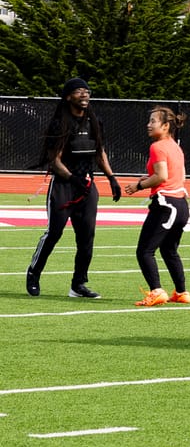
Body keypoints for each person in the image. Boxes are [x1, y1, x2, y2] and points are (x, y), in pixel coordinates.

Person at [26, 78, 121, 299]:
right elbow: (55, 160)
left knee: (87, 236)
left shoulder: (94, 121)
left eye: (87, 91)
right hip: (63, 186)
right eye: (79, 91)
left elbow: (100, 152)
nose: (85, 94)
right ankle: (34, 273)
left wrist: (112, 178)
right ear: (68, 97)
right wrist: (71, 177)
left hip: (86, 187)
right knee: (54, 232)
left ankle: (78, 284)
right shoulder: (60, 122)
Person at [124, 107, 190, 307]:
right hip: (180, 204)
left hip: (165, 205)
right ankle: (181, 292)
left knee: (144, 251)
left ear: (165, 125)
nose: (148, 124)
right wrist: (151, 180)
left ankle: (156, 291)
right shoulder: (175, 146)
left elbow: (161, 176)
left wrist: (138, 185)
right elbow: (179, 177)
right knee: (170, 251)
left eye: (153, 121)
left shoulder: (158, 146)